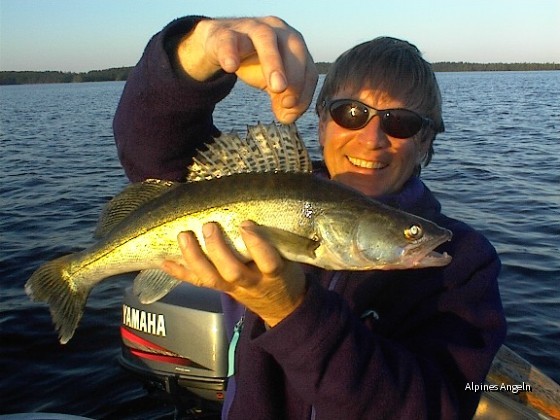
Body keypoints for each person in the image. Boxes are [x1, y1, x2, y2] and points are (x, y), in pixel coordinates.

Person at [113, 15, 506, 419]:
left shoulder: (464, 265)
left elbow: (432, 408)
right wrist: (200, 50)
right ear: (320, 123)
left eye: (401, 123)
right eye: (350, 113)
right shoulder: (262, 185)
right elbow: (149, 148)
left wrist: (290, 308)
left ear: (425, 141)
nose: (371, 140)